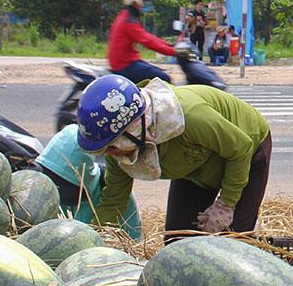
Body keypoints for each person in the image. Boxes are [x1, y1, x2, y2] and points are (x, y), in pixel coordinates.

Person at [76, 73, 273, 242]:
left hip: (247, 151)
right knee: (177, 242)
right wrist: (93, 240)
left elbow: (240, 147)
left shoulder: (190, 117)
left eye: (111, 146)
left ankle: (263, 247)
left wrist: (225, 204)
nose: (109, 154)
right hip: (196, 167)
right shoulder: (119, 149)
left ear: (133, 130)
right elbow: (114, 200)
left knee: (233, 243)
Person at [107, 0, 176, 84]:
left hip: (126, 62)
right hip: (124, 65)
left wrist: (169, 45)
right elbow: (148, 41)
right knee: (163, 79)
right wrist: (174, 52)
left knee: (159, 73)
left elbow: (148, 37)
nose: (146, 5)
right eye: (145, 1)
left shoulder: (126, 15)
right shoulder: (129, 21)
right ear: (135, 1)